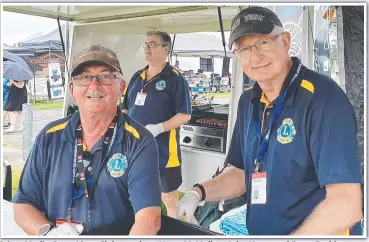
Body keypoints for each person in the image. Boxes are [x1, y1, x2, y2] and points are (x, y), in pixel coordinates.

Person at [176, 6, 363, 235]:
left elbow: (346, 205)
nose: (255, 56)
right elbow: (240, 173)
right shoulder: (248, 101)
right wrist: (198, 193)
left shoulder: (323, 100)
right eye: (244, 48)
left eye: (264, 42)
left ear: (285, 41)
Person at [12, 45, 162, 236]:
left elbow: (149, 219)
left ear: (121, 86)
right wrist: (49, 233)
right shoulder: (50, 136)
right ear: (71, 88)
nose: (94, 85)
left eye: (106, 76)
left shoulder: (139, 142)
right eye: (84, 77)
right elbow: (23, 204)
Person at [122, 31, 191, 218]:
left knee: (169, 198)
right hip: (135, 148)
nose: (147, 48)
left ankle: (176, 232)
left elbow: (184, 115)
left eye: (152, 44)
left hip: (164, 151)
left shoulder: (176, 79)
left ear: (166, 49)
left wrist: (158, 128)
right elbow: (125, 108)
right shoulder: (137, 77)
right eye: (145, 44)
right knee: (136, 193)